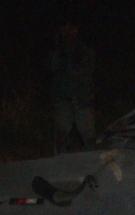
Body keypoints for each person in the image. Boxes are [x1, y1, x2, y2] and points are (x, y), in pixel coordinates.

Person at [49, 21, 96, 154]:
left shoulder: (84, 49)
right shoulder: (57, 49)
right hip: (63, 100)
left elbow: (82, 71)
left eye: (70, 28)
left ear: (75, 29)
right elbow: (51, 67)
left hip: (82, 100)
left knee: (89, 139)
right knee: (61, 138)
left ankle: (92, 166)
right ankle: (59, 165)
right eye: (64, 28)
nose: (66, 32)